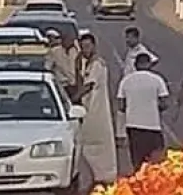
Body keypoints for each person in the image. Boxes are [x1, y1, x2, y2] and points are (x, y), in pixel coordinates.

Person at [76, 33, 117, 185]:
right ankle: (97, 177)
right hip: (89, 110)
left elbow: (88, 86)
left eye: (87, 46)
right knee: (88, 145)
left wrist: (72, 100)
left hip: (97, 111)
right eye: (82, 47)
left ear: (94, 46)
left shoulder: (97, 64)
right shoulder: (87, 64)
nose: (85, 50)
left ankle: (104, 178)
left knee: (97, 145)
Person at [118, 53, 168, 170]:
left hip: (133, 127)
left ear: (135, 65)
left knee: (138, 161)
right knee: (157, 161)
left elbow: (121, 106)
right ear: (149, 64)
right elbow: (164, 103)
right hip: (153, 126)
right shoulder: (157, 80)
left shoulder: (126, 80)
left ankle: (139, 178)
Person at [45, 31, 80, 99]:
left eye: (70, 40)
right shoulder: (54, 51)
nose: (67, 42)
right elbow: (47, 67)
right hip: (61, 85)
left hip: (74, 85)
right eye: (65, 40)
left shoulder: (76, 52)